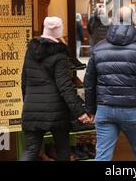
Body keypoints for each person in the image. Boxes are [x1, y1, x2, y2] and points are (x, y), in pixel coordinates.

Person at [84, 6, 136, 161]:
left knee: (102, 155)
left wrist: (90, 108)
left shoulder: (99, 48)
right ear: (134, 22)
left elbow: (89, 82)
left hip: (105, 109)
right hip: (131, 109)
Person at [21, 16, 90, 161]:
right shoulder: (59, 55)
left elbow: (24, 81)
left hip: (31, 109)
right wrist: (80, 112)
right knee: (62, 149)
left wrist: (28, 103)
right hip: (56, 112)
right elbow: (65, 86)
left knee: (31, 150)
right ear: (59, 32)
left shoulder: (30, 51)